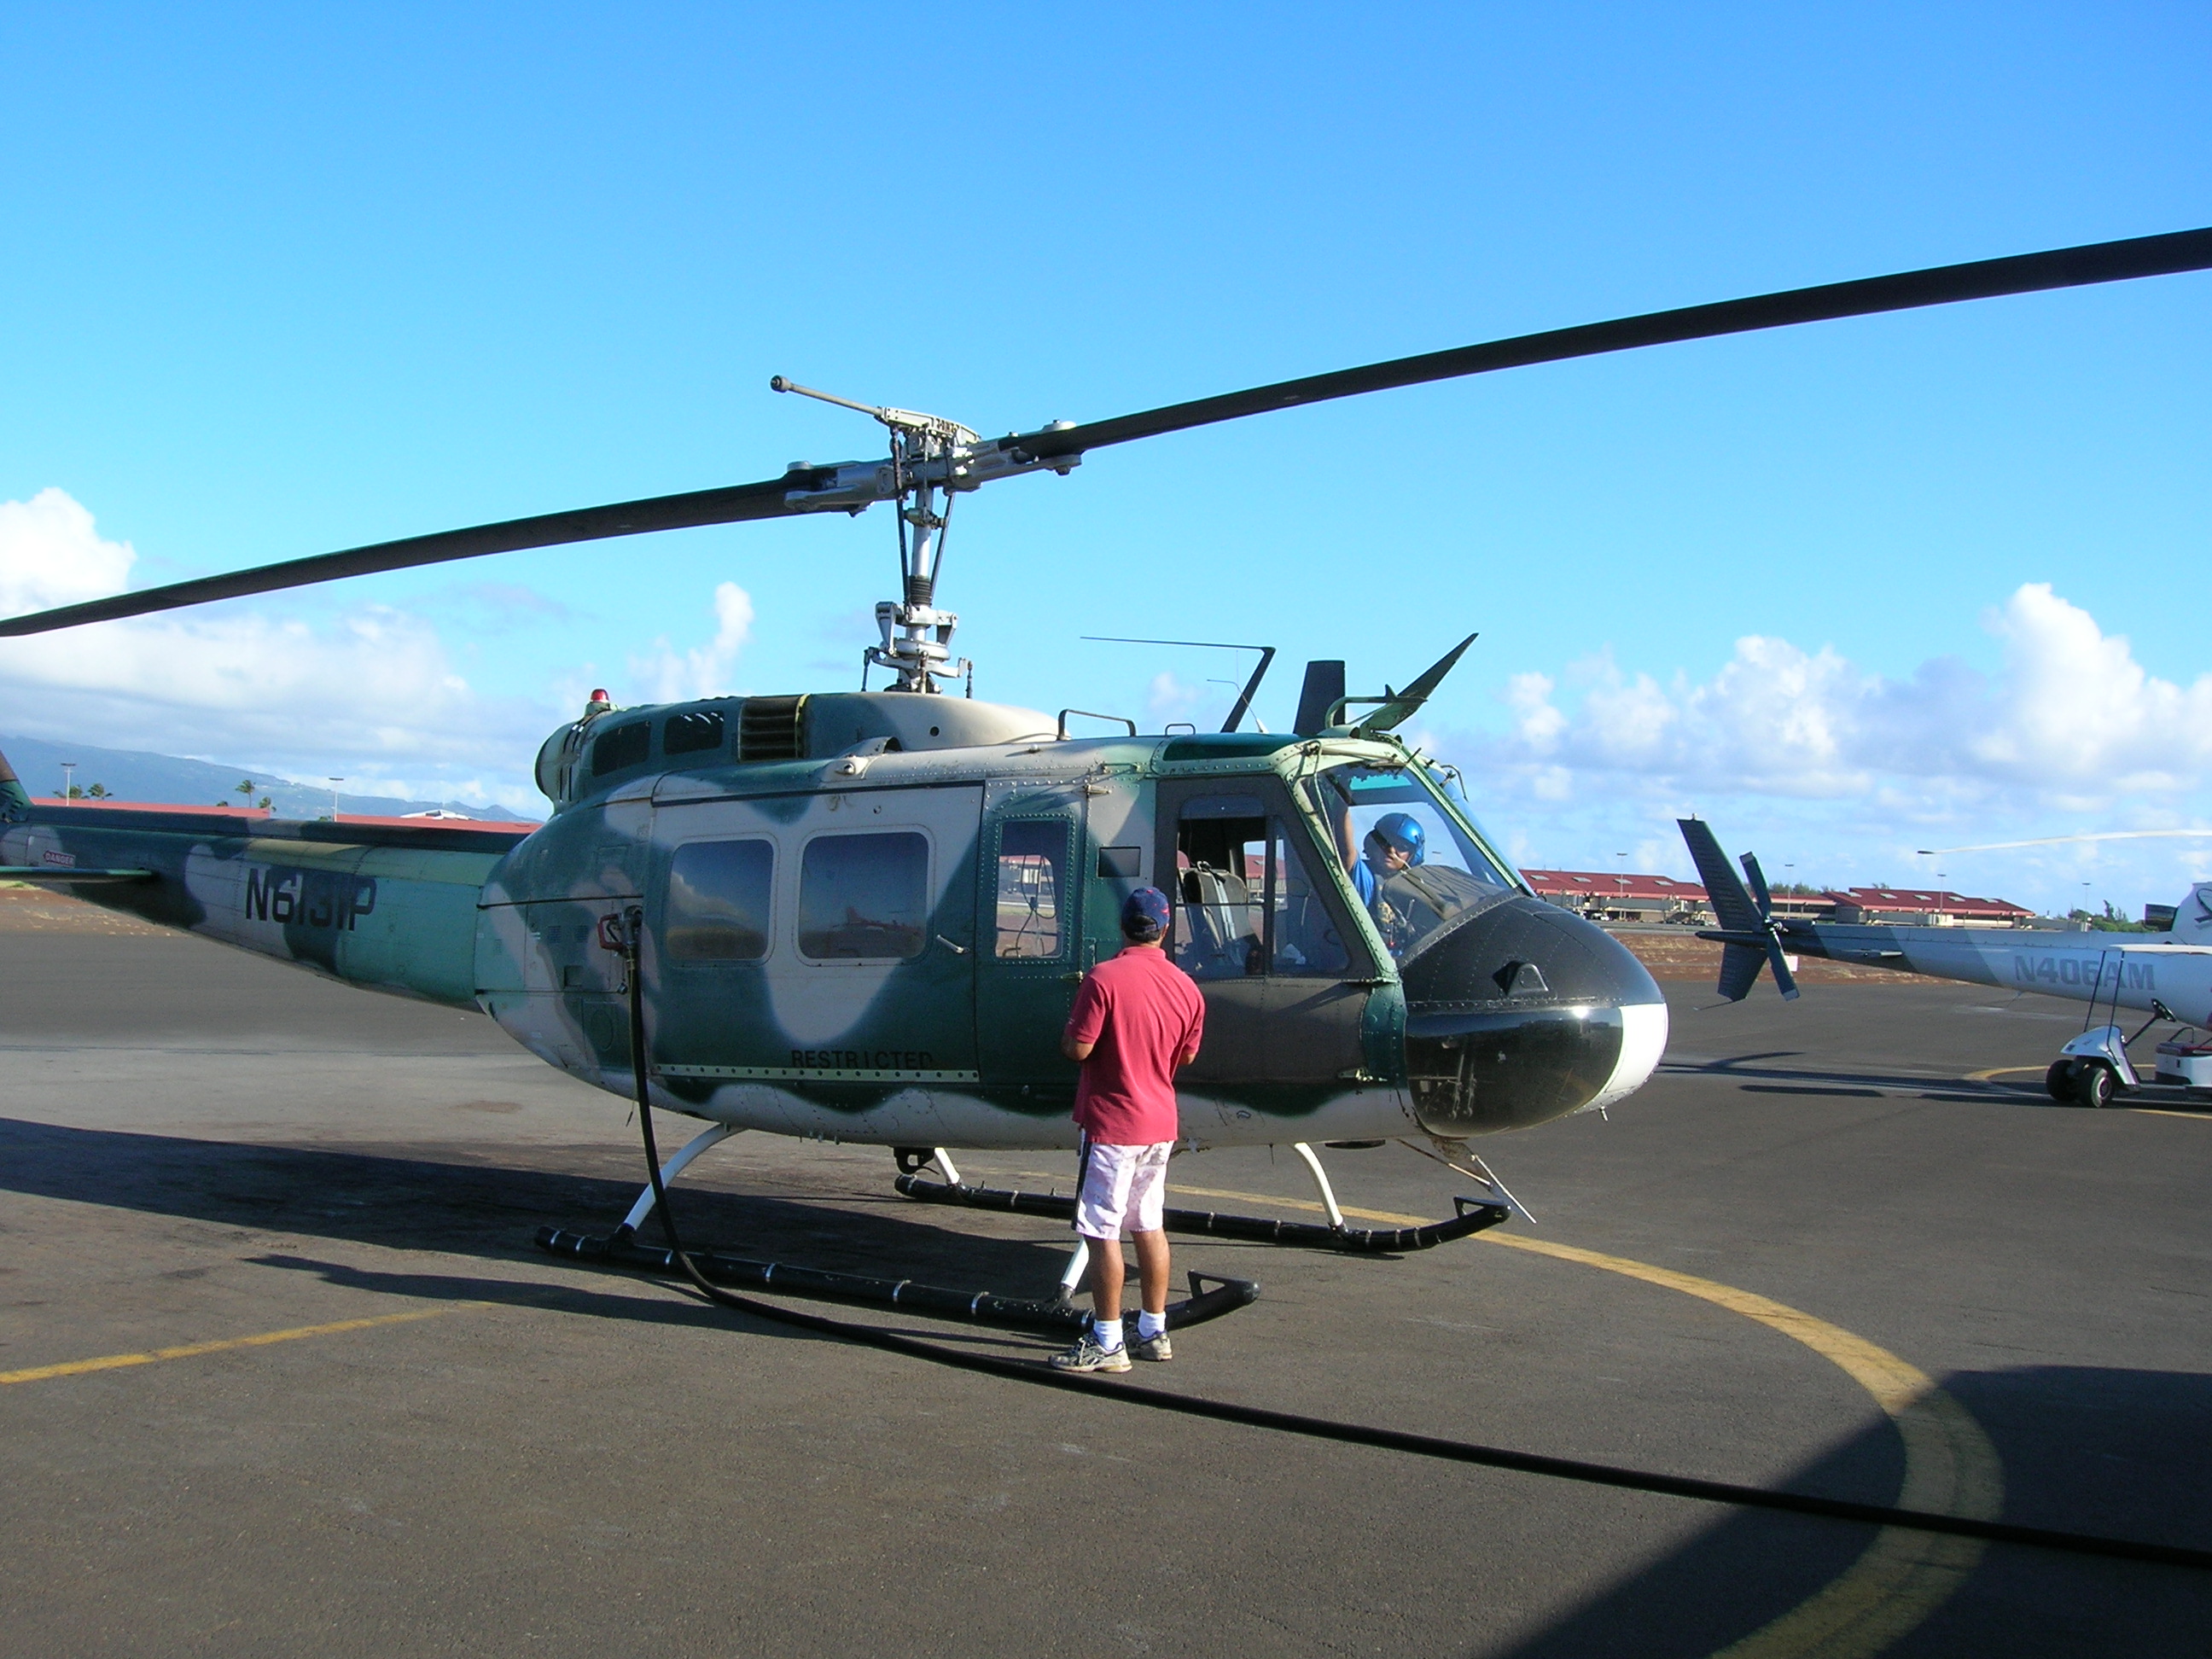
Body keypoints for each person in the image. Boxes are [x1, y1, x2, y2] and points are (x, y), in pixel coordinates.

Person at [1051, 886, 1205, 1374]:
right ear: (1164, 929)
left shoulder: (1103, 978)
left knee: (1101, 1231)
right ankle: (1154, 1330)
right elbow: (1187, 1056)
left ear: (1123, 926)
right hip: (1160, 1123)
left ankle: (1107, 1340)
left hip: (1113, 1125)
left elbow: (1076, 1049)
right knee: (1148, 1224)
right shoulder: (1188, 988)